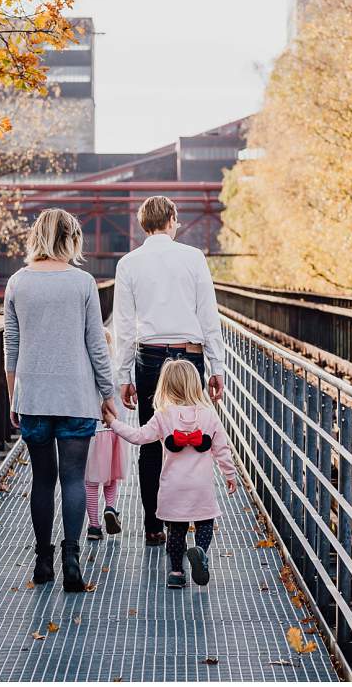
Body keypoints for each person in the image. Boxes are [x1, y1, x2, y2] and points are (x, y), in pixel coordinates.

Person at [3, 208, 117, 592]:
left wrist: (13, 395)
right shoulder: (82, 283)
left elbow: (11, 346)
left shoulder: (18, 283)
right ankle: (72, 560)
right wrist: (108, 393)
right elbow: (96, 345)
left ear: (37, 235)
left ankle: (42, 561)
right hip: (76, 396)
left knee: (42, 479)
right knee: (72, 478)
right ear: (71, 238)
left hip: (33, 396)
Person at [113, 195, 225, 546]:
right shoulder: (193, 258)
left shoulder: (129, 263)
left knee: (151, 441)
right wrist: (217, 367)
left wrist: (123, 376)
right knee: (189, 438)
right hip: (189, 358)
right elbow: (208, 315)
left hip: (149, 358)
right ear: (172, 219)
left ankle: (154, 526)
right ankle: (192, 520)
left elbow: (124, 326)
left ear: (142, 223)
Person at [104, 359, 237, 588]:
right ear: (197, 384)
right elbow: (221, 449)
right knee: (205, 523)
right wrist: (230, 474)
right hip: (202, 486)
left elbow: (138, 437)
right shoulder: (209, 414)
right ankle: (200, 552)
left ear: (165, 386)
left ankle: (176, 573)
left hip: (173, 486)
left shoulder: (163, 415)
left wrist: (113, 423)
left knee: (176, 530)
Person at [85, 328, 128, 541]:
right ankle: (110, 508)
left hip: (92, 432)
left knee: (90, 481)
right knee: (111, 477)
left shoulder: (86, 371)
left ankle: (94, 526)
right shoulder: (115, 370)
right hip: (114, 431)